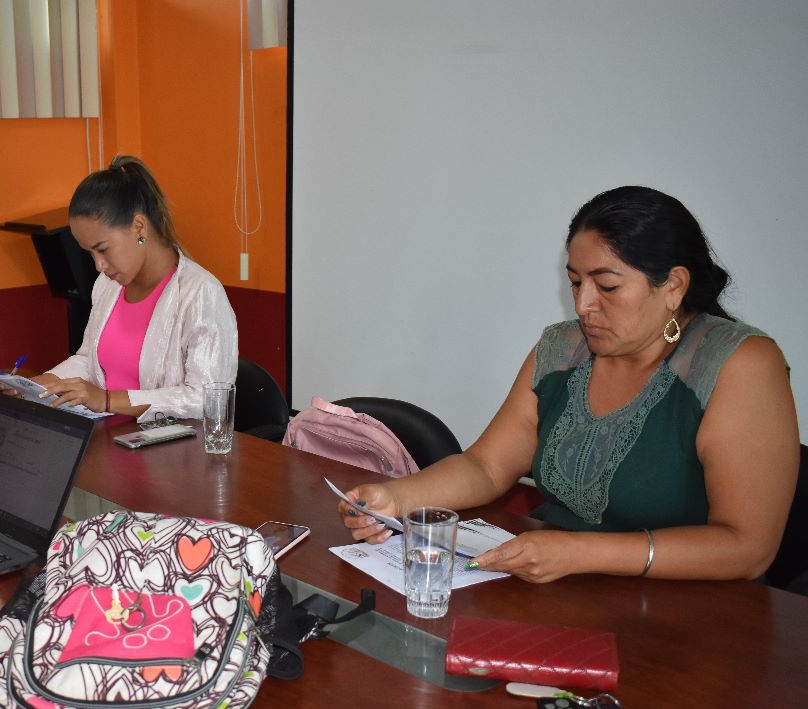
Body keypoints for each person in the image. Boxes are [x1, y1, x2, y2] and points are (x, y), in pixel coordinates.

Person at [340, 186, 798, 582]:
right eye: (576, 283)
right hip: (560, 585)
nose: (583, 305)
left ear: (674, 286)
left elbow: (748, 548)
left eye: (607, 287)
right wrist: (396, 496)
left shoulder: (739, 364)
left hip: (689, 615)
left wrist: (579, 553)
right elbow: (486, 466)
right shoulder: (563, 348)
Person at [32, 155, 237, 421]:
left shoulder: (200, 293)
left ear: (139, 227)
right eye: (89, 253)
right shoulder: (107, 286)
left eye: (103, 249)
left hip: (171, 445)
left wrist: (107, 400)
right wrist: (45, 382)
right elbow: (89, 361)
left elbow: (206, 398)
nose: (98, 265)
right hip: (108, 437)